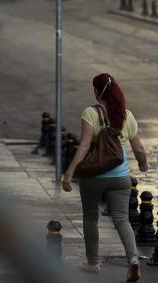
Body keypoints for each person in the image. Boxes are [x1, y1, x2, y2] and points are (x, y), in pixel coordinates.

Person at [62, 73, 148, 282]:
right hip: (120, 177)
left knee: (91, 217)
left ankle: (92, 263)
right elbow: (138, 148)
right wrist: (143, 164)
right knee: (122, 219)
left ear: (95, 91)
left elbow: (84, 145)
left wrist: (70, 171)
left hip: (94, 176)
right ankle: (133, 260)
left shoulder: (90, 113)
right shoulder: (126, 115)